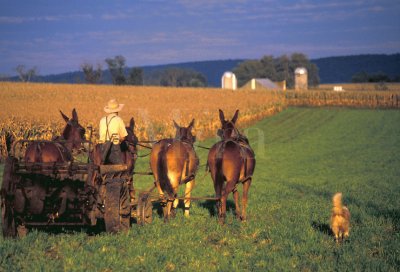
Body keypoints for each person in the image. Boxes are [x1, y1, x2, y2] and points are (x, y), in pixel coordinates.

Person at [99, 99, 128, 164]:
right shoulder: (118, 120)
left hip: (102, 147)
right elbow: (124, 136)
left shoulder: (102, 120)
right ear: (117, 110)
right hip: (114, 147)